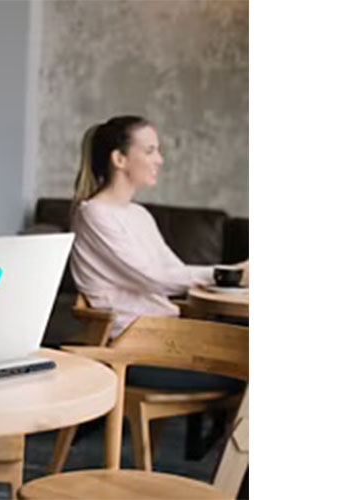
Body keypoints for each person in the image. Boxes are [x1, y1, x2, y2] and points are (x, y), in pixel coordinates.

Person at [68, 115, 247, 390]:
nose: (159, 160)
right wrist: (229, 274)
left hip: (165, 333)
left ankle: (221, 433)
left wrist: (231, 277)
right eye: (150, 150)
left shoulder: (139, 214)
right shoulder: (94, 214)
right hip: (135, 342)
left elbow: (172, 272)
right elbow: (155, 278)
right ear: (120, 159)